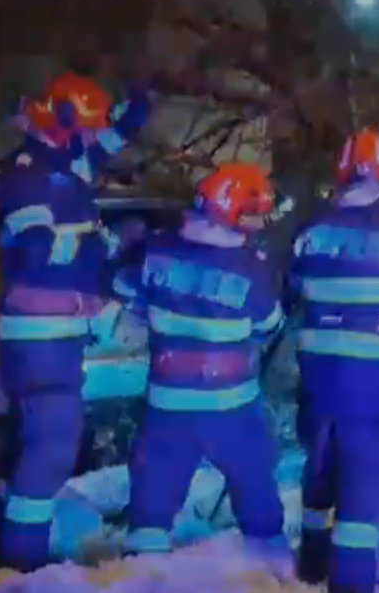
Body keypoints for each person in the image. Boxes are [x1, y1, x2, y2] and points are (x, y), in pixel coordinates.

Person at [0, 72, 151, 572]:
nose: (90, 139)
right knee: (53, 446)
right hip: (40, 336)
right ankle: (22, 561)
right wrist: (106, 244)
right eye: (84, 128)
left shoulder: (64, 160)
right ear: (59, 122)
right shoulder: (27, 176)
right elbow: (37, 252)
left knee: (31, 443)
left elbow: (110, 140)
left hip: (51, 335)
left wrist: (138, 101)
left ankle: (4, 540)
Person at [115, 162, 294, 580]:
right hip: (232, 407)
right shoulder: (250, 266)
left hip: (167, 404)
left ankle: (141, 576)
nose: (256, 225)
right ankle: (274, 574)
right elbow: (269, 325)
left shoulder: (156, 251)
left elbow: (127, 294)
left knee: (153, 496)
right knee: (255, 486)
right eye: (252, 215)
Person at [290, 128, 379, 593]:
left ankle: (309, 571)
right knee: (359, 508)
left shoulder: (310, 230)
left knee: (318, 480)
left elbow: (294, 290)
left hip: (317, 391)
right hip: (371, 395)